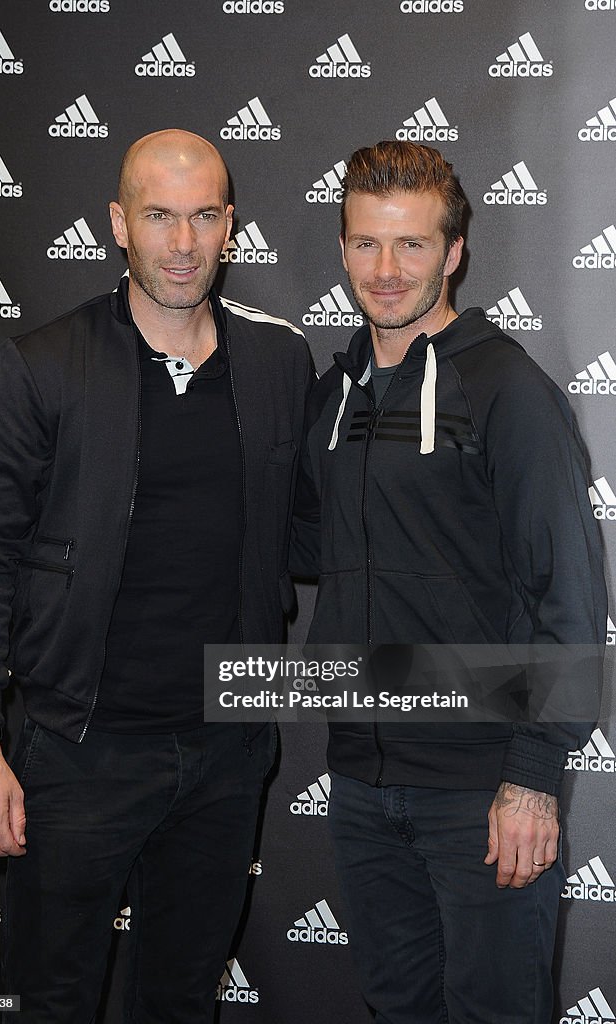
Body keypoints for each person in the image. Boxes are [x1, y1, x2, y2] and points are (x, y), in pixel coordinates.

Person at [0, 129, 313, 1024]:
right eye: (159, 216)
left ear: (230, 226)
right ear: (118, 223)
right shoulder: (43, 366)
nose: (181, 244)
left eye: (201, 218)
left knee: (181, 1000)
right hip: (79, 752)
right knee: (56, 1001)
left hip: (228, 751)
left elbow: (312, 534)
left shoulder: (277, 363)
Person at [291, 141, 606, 1024]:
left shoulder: (507, 390)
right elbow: (310, 543)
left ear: (453, 250)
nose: (385, 271)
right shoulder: (336, 390)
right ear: (343, 248)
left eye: (412, 245)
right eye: (364, 244)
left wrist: (533, 775)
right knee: (397, 1009)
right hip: (361, 782)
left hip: (482, 791)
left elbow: (568, 594)